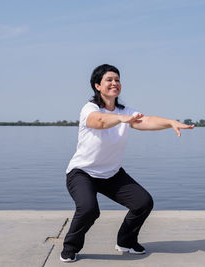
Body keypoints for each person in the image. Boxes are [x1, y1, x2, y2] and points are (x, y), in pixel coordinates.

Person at [60, 64, 194, 262]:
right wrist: (123, 118)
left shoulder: (126, 111)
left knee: (143, 203)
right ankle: (70, 247)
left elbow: (147, 121)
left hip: (111, 173)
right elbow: (100, 121)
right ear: (97, 85)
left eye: (117, 79)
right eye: (109, 80)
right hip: (82, 173)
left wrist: (170, 122)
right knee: (89, 209)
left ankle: (126, 241)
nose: (115, 83)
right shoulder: (90, 109)